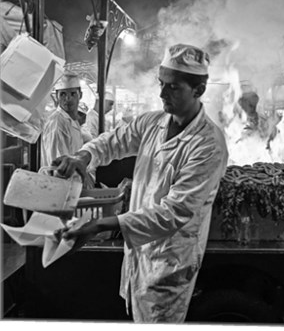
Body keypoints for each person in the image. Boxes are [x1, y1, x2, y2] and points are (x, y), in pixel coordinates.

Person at [53, 44, 229, 323]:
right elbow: (114, 140)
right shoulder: (153, 122)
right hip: (138, 258)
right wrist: (83, 156)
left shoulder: (209, 144)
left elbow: (174, 213)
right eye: (161, 84)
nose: (162, 94)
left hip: (168, 263)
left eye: (173, 87)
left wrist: (100, 224)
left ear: (199, 90)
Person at [40, 73, 85, 168]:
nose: (68, 99)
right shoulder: (57, 123)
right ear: (57, 96)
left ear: (80, 95)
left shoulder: (73, 121)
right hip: (60, 181)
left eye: (73, 94)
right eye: (63, 94)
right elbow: (58, 167)